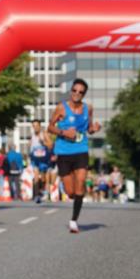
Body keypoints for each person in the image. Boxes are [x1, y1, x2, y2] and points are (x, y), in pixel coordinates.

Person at [48, 78, 101, 233]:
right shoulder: (61, 108)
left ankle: (73, 220)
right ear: (71, 91)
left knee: (81, 182)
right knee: (71, 192)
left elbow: (89, 128)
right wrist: (64, 132)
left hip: (81, 150)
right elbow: (50, 127)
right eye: (74, 90)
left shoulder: (88, 109)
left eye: (80, 92)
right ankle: (68, 184)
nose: (76, 94)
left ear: (84, 94)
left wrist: (94, 129)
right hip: (63, 152)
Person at [28, 120, 52, 203]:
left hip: (44, 159)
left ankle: (43, 191)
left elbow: (51, 144)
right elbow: (31, 146)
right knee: (36, 177)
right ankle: (37, 195)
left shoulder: (44, 134)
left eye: (37, 126)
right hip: (35, 159)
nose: (35, 127)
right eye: (34, 126)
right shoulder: (32, 136)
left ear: (40, 126)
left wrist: (44, 143)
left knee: (43, 178)